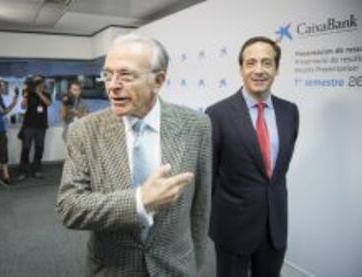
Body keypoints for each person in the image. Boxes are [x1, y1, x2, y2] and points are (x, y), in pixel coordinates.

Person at [56, 34, 212, 277]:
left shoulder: (196, 125)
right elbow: (70, 207)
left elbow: (200, 207)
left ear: (158, 80)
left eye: (126, 75)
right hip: (112, 268)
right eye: (107, 75)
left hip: (177, 267)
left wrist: (196, 263)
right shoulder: (84, 131)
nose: (112, 85)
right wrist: (139, 202)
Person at [206, 36, 300, 277]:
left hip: (275, 226)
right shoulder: (217, 114)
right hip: (233, 227)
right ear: (241, 69)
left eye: (267, 63)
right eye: (251, 63)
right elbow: (210, 174)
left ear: (277, 69)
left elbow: (279, 170)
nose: (259, 70)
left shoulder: (290, 112)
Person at [17, 75, 51, 180]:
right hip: (29, 125)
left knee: (39, 148)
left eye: (41, 83)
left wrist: (39, 92)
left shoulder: (46, 93)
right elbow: (23, 106)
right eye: (37, 83)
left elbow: (48, 103)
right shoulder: (29, 93)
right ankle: (23, 171)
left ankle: (37, 170)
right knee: (26, 148)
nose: (40, 85)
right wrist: (26, 96)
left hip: (41, 126)